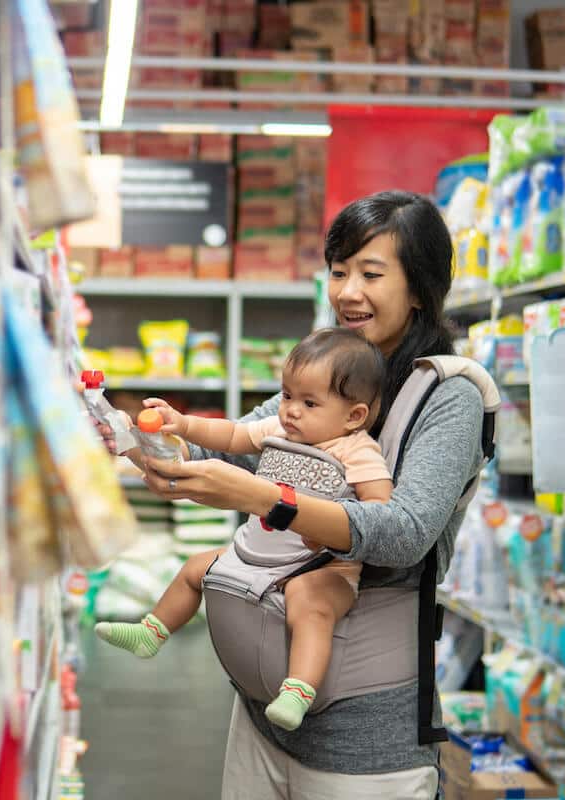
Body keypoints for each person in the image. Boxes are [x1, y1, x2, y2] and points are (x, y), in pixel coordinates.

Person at [95, 191, 483, 799]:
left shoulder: (445, 399)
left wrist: (263, 498)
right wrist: (155, 448)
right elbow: (236, 448)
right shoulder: (324, 373)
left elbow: (403, 534)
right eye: (339, 271)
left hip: (363, 737)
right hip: (260, 714)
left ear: (419, 288)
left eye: (371, 274)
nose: (348, 291)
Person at [94, 327, 392, 732]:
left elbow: (378, 513)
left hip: (321, 566)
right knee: (195, 568)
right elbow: (231, 434)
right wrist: (181, 423)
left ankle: (299, 690)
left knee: (312, 604)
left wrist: (333, 525)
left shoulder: (356, 451)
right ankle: (152, 632)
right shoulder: (279, 431)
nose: (291, 410)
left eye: (308, 402)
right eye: (286, 396)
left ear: (354, 416)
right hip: (259, 553)